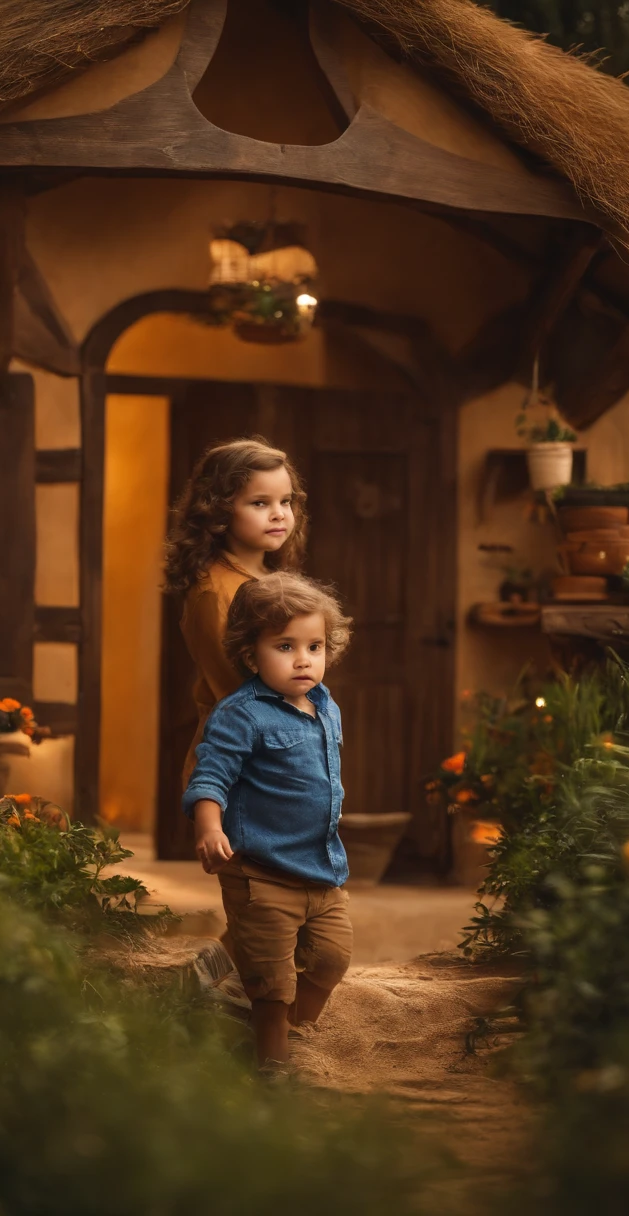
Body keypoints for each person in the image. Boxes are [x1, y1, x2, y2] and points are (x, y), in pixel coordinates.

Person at [182, 572, 353, 1073]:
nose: (304, 659)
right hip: (261, 871)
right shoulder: (241, 714)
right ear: (251, 654)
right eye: (285, 646)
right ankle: (273, 1063)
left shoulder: (326, 706)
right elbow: (210, 775)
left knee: (331, 960)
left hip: (321, 869)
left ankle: (277, 1029)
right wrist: (209, 827)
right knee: (272, 982)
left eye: (315, 646)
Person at [164, 437, 308, 789]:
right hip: (239, 762)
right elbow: (238, 687)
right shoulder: (215, 592)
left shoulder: (272, 577)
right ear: (220, 510)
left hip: (284, 749)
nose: (279, 513)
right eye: (260, 503)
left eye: (285, 501)